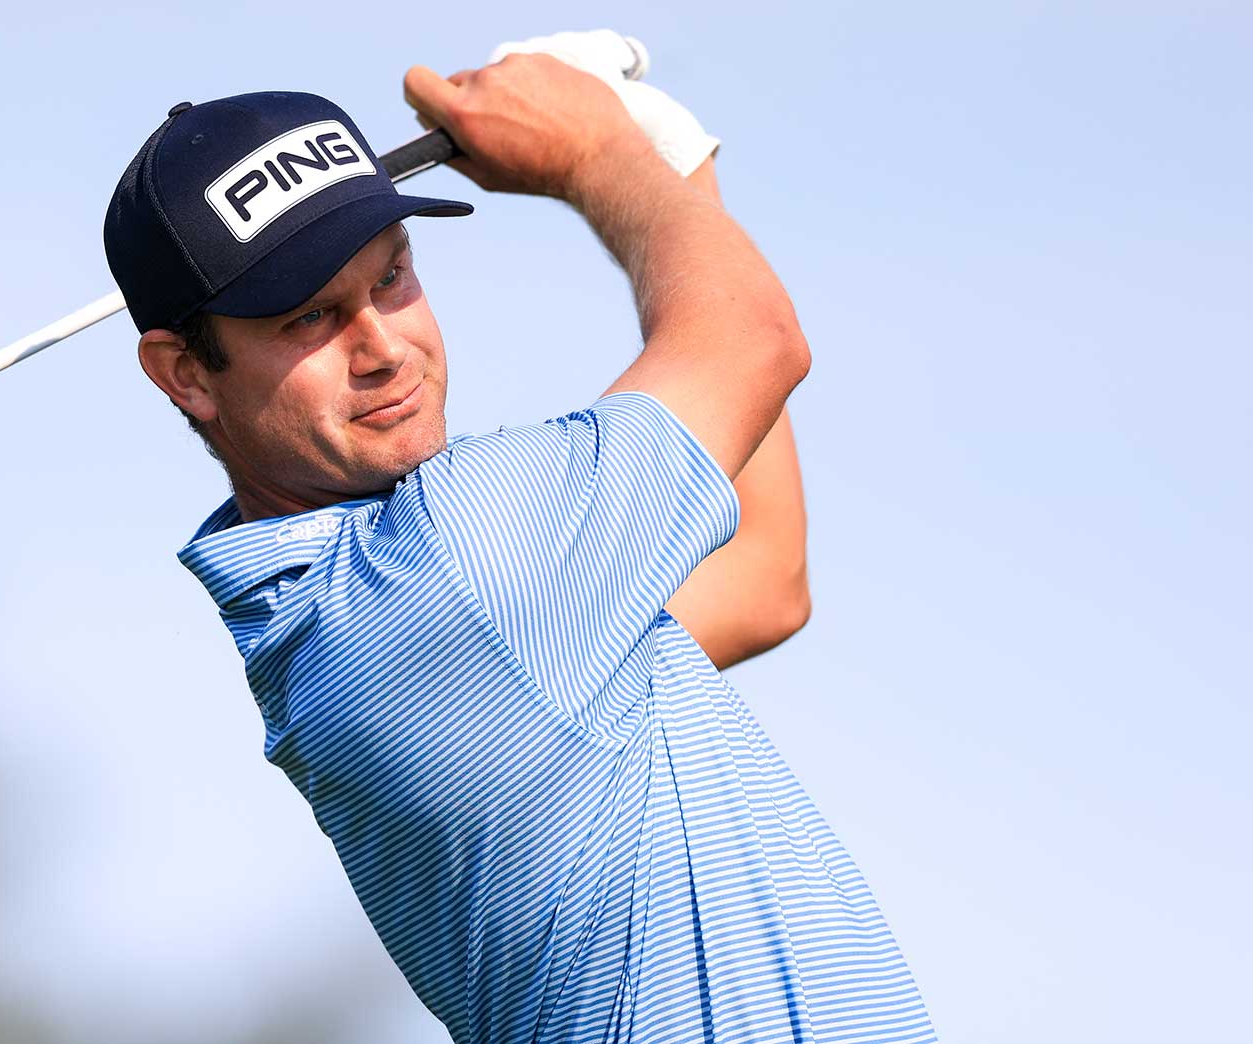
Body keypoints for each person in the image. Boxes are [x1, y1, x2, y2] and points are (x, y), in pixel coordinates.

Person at [103, 44, 936, 1044]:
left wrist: (671, 168)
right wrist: (599, 153)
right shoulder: (451, 570)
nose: (384, 348)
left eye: (392, 276)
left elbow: (761, 577)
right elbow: (754, 339)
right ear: (186, 374)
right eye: (309, 318)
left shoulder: (352, 618)